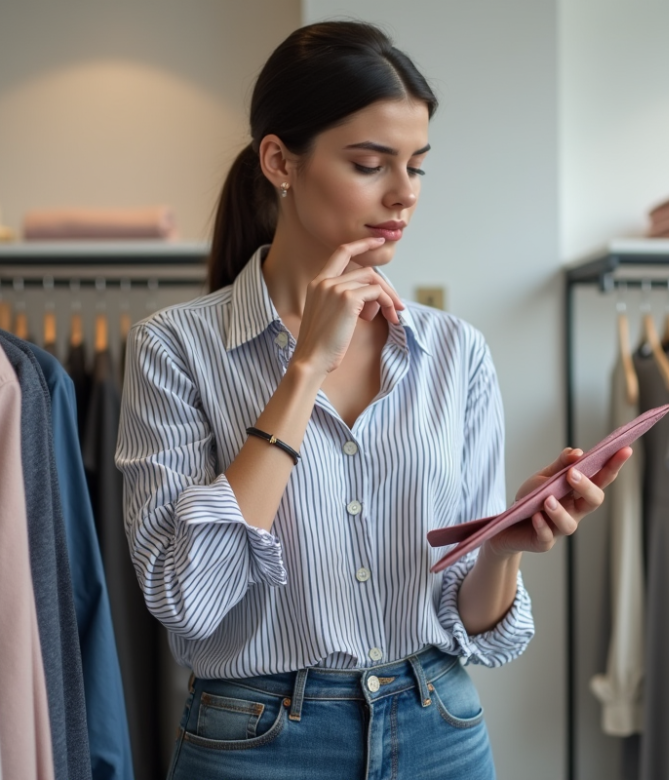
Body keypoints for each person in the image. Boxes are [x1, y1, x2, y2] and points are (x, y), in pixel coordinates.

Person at [115, 20, 631, 779]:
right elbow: (188, 598)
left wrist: (500, 547)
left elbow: (476, 623)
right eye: (369, 164)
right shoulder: (174, 348)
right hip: (257, 745)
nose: (403, 193)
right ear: (279, 161)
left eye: (417, 166)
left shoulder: (455, 353)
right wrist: (305, 370)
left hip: (440, 731)